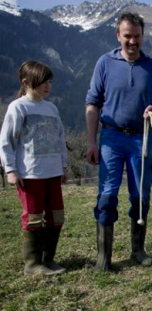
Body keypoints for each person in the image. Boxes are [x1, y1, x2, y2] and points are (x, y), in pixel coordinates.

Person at [85, 12, 152, 271]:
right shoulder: (104, 62)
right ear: (118, 36)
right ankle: (104, 258)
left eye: (137, 36)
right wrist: (92, 141)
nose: (133, 41)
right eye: (127, 36)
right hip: (110, 137)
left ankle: (138, 250)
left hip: (140, 139)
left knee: (141, 196)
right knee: (108, 194)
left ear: (143, 36)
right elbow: (92, 104)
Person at [0, 60, 68, 276]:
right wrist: (10, 169)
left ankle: (49, 259)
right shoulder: (18, 107)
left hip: (52, 172)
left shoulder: (51, 108)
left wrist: (63, 165)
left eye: (50, 82)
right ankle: (32, 264)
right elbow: (6, 141)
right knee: (34, 217)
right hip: (30, 174)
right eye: (42, 82)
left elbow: (60, 139)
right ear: (26, 82)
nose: (47, 87)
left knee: (56, 216)